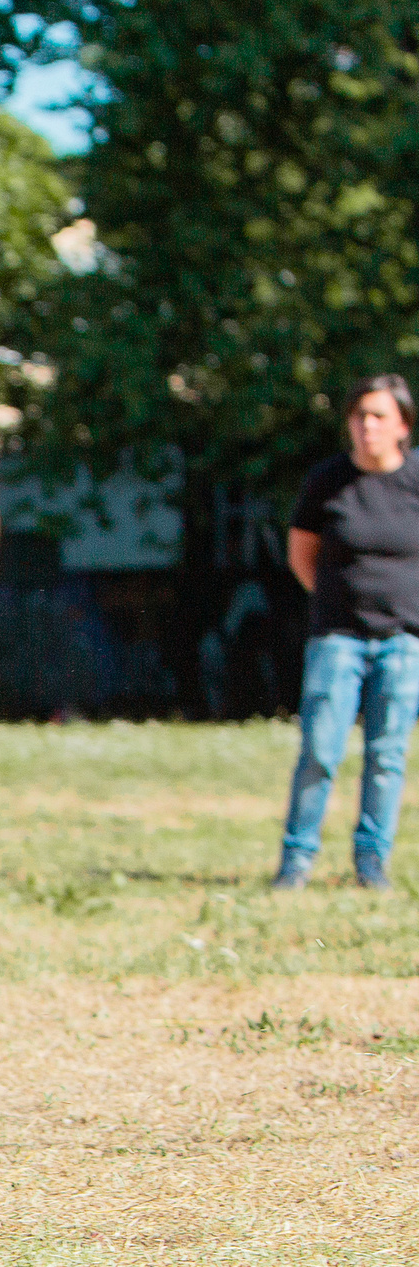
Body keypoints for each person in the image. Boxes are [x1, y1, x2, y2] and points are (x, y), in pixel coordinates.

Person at [274, 373, 419, 890]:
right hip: (337, 638)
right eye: (359, 416)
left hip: (404, 642)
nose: (367, 426)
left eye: (379, 416)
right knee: (320, 750)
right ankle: (296, 863)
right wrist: (336, 603)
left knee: (386, 756)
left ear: (403, 424)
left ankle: (371, 864)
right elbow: (301, 555)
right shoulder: (327, 481)